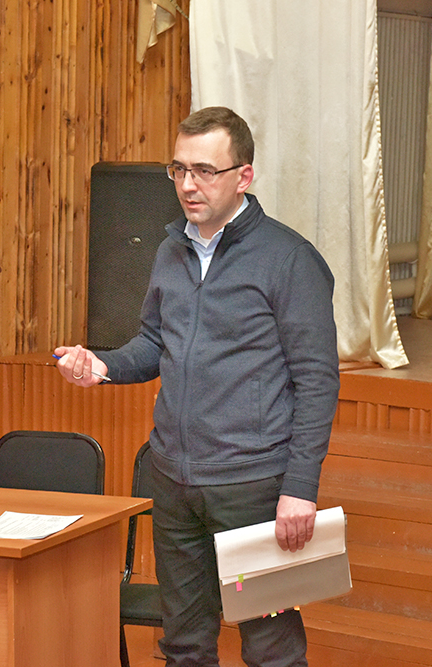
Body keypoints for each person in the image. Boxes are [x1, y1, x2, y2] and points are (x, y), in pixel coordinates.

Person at [55, 107, 339, 667]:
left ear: (243, 176)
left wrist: (300, 487)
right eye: (179, 169)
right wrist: (101, 364)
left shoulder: (289, 260)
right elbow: (153, 343)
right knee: (183, 646)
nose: (188, 185)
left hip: (252, 487)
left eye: (206, 171)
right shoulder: (171, 250)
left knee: (272, 650)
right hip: (173, 482)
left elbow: (317, 381)